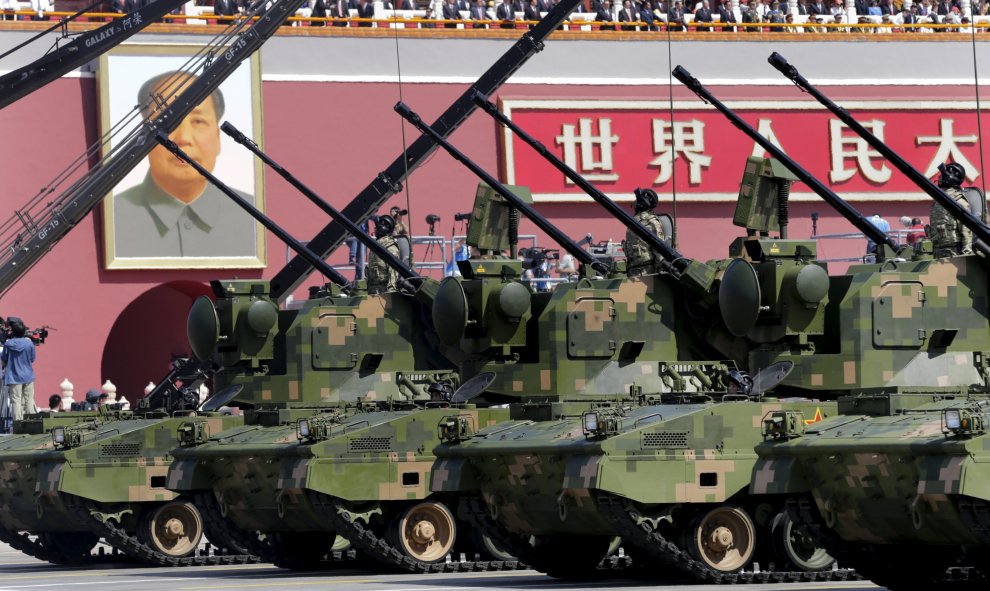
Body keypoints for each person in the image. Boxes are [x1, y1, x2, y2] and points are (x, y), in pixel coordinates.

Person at [113, 71, 256, 259]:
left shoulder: (250, 215)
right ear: (144, 135)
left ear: (218, 138)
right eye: (169, 121)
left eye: (198, 121)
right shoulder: (115, 216)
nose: (184, 138)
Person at [929, 162, 974, 257]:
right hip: (938, 253)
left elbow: (966, 231)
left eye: (942, 175)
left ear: (949, 178)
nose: (939, 178)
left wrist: (966, 255)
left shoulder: (958, 201)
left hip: (954, 254)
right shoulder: (939, 200)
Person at [623, 188, 666, 277]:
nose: (634, 202)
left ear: (642, 202)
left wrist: (660, 273)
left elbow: (659, 251)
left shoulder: (652, 223)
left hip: (646, 272)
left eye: (637, 199)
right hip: (632, 270)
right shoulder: (635, 221)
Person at [1, 318, 37, 421]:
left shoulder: (8, 344)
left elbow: (4, 358)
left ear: (13, 332)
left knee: (16, 401)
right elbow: (32, 359)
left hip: (14, 376)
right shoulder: (29, 343)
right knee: (29, 400)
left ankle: (18, 424)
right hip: (28, 375)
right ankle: (31, 422)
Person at [366, 215, 400, 294]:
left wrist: (391, 292)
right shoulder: (376, 246)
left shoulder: (390, 247)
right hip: (373, 290)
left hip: (384, 291)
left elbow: (393, 271)